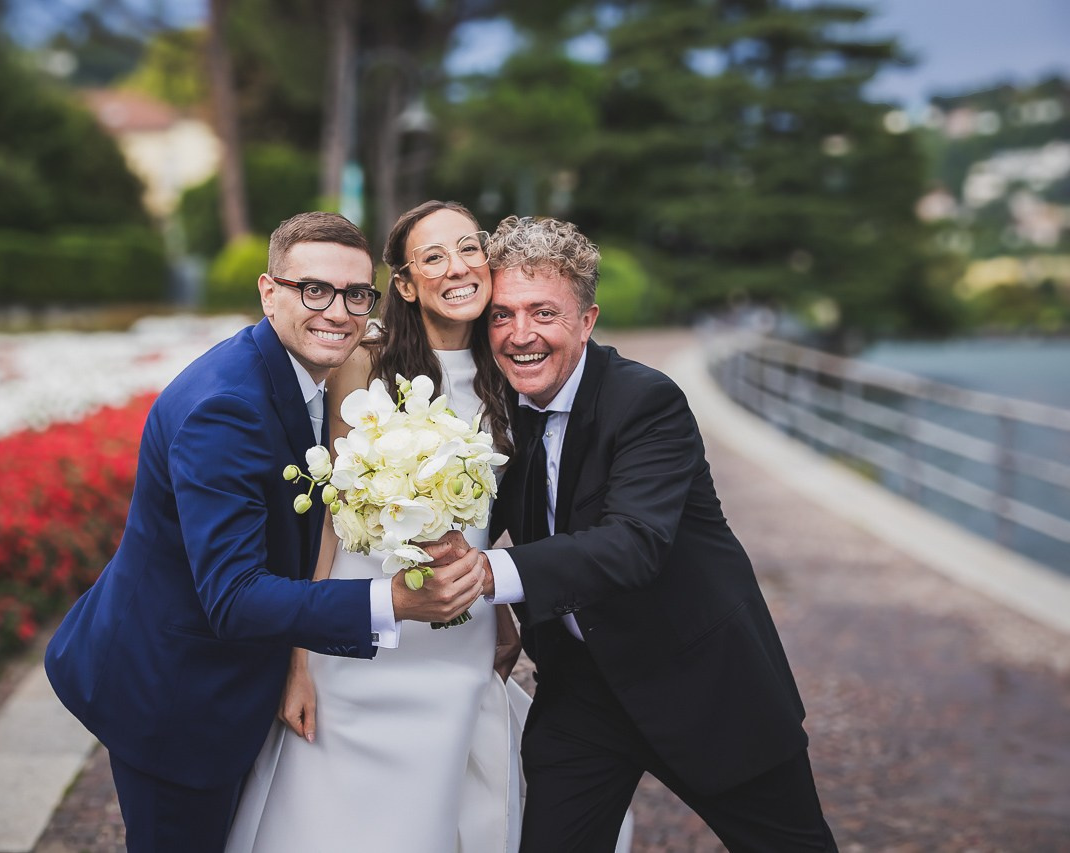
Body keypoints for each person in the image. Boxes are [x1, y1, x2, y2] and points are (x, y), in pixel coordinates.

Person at [45, 211, 486, 852]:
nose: (337, 312)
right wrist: (392, 601)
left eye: (356, 295)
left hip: (225, 668)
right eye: (314, 289)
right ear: (267, 290)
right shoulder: (226, 408)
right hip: (175, 692)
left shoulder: (306, 377)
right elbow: (234, 597)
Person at [455, 215, 838, 852]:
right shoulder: (499, 412)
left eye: (543, 312)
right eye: (501, 315)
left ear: (588, 320)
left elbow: (634, 543)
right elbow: (467, 518)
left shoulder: (647, 401)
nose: (520, 335)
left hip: (702, 680)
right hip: (581, 689)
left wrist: (490, 579)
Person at [226, 200, 535, 853]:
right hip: (365, 628)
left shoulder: (508, 370)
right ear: (403, 283)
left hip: (457, 635)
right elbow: (331, 521)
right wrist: (299, 659)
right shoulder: (365, 362)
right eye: (433, 256)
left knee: (435, 812)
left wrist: (504, 604)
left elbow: (501, 519)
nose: (458, 267)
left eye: (469, 247)